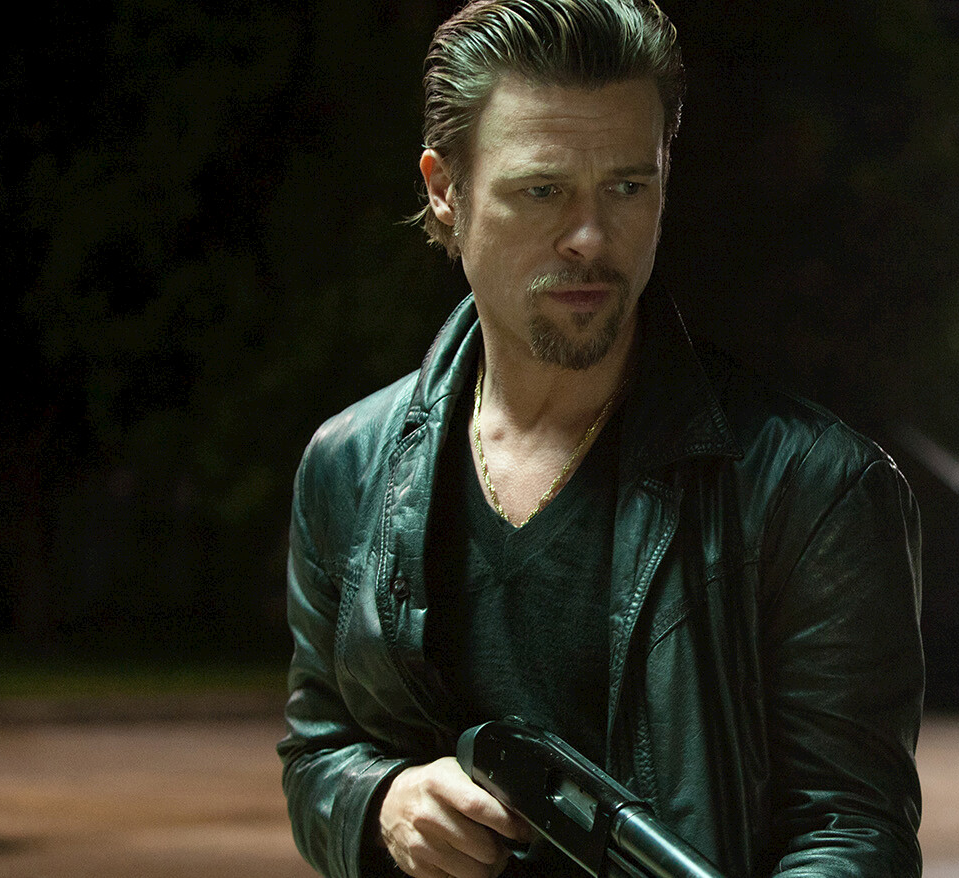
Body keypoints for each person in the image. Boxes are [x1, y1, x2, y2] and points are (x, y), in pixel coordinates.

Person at [276, 2, 925, 876]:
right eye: (542, 190)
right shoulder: (348, 466)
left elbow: (853, 830)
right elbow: (319, 750)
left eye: (626, 187)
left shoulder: (815, 491)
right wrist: (383, 802)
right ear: (444, 188)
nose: (590, 237)